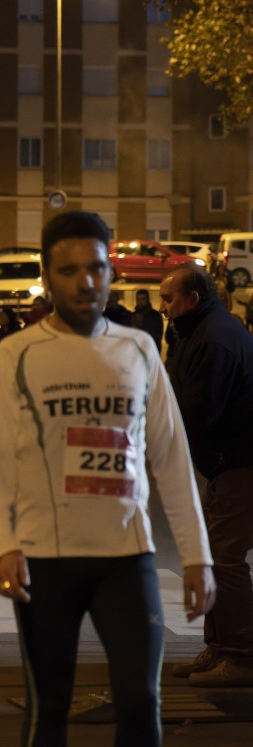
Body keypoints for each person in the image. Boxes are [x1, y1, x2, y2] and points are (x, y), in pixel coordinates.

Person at [0, 211, 215, 746]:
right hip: (45, 559)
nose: (86, 280)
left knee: (140, 702)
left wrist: (197, 556)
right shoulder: (17, 354)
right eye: (69, 270)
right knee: (50, 707)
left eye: (97, 267)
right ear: (48, 274)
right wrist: (3, 544)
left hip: (127, 561)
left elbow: (172, 458)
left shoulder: (139, 350)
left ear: (111, 272)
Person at [160, 263, 253, 687]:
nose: (163, 308)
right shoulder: (199, 330)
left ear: (192, 299)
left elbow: (198, 411)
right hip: (226, 462)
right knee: (215, 555)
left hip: (239, 462)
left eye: (168, 299)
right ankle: (219, 649)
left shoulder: (214, 338)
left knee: (225, 559)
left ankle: (241, 656)